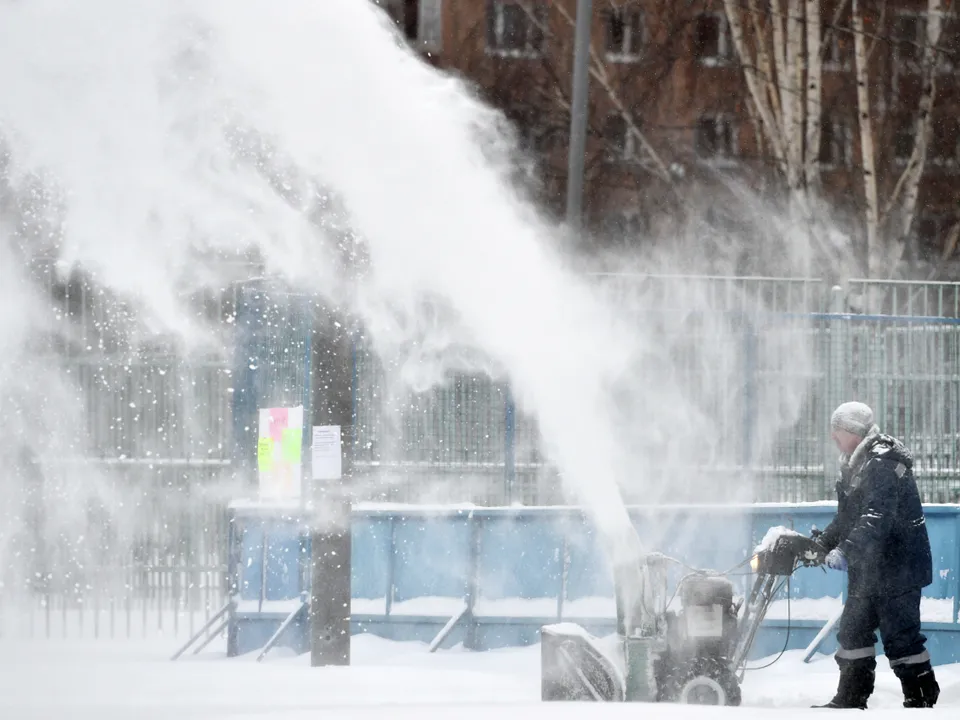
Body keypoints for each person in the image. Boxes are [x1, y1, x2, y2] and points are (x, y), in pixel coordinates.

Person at [812, 401, 939, 709]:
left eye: (838, 430)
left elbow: (876, 517)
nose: (833, 437)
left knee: (901, 638)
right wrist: (823, 543)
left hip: (899, 567)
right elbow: (848, 517)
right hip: (870, 569)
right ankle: (850, 698)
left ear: (854, 431)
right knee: (853, 631)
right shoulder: (856, 462)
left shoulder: (882, 463)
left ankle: (920, 699)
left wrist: (844, 550)